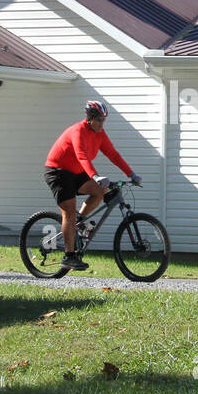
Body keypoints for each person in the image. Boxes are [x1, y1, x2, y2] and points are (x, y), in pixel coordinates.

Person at [44, 100, 141, 270]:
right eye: (99, 120)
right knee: (69, 212)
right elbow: (82, 157)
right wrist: (95, 176)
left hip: (75, 171)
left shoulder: (99, 134)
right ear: (89, 118)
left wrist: (131, 173)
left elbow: (113, 155)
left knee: (100, 191)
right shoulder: (78, 131)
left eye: (104, 120)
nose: (102, 124)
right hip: (58, 171)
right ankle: (69, 256)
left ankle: (80, 223)